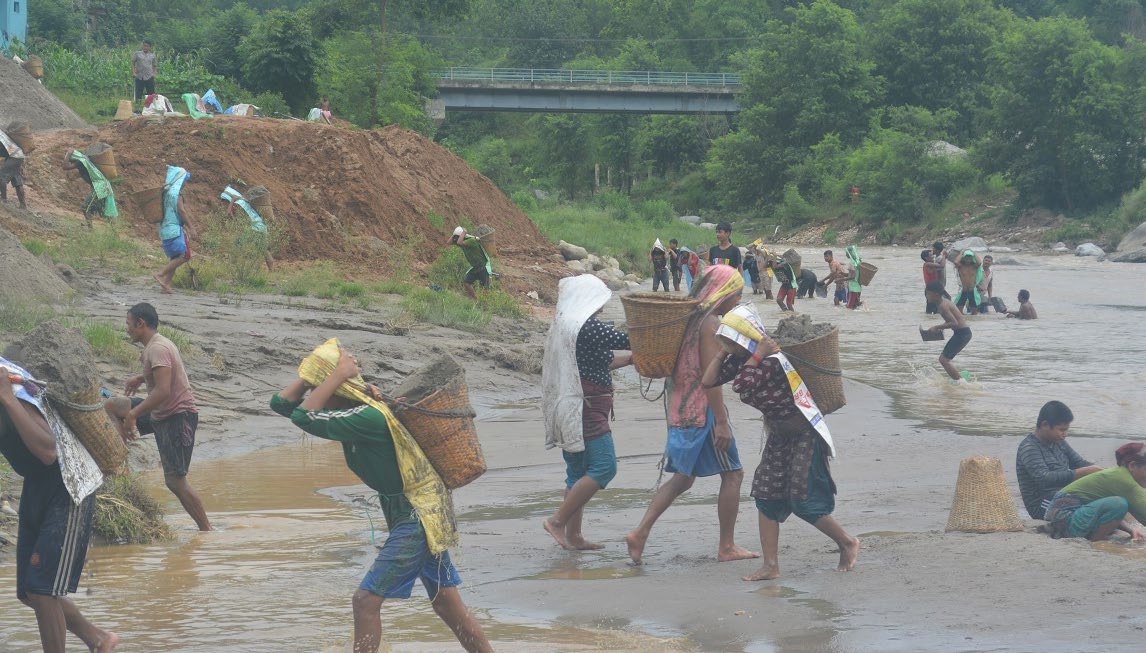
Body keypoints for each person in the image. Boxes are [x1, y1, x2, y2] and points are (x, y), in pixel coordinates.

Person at [271, 343, 492, 653]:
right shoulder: (350, 410)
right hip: (421, 508)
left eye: (319, 384)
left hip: (418, 515)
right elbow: (281, 405)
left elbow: (302, 418)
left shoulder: (366, 417)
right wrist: (314, 377)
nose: (315, 391)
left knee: (365, 602)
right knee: (447, 606)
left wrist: (334, 376)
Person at [701, 306, 859, 580]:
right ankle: (770, 566)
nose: (730, 347)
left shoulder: (772, 360)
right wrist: (722, 351)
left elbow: (741, 385)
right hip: (779, 435)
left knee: (802, 499)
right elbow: (708, 380)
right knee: (765, 495)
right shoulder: (743, 360)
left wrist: (759, 353)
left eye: (732, 341)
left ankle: (847, 542)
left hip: (804, 435)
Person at [625, 265, 758, 565]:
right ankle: (726, 546)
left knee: (683, 479)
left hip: (682, 406)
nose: (737, 301)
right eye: (736, 294)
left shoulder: (690, 319)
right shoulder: (710, 324)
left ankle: (640, 533)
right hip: (704, 412)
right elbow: (710, 379)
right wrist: (721, 422)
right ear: (722, 294)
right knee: (733, 474)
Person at [0, 359, 120, 653]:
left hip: (69, 482)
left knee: (42, 590)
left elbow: (48, 450)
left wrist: (5, 396)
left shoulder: (12, 386)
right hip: (36, 482)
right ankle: (98, 639)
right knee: (29, 592)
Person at [542, 275, 633, 550]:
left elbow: (600, 361)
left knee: (577, 471)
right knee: (605, 466)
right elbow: (628, 339)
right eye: (598, 302)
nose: (601, 308)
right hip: (587, 408)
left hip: (568, 406)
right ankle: (558, 522)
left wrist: (630, 360)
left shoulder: (564, 326)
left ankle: (574, 536)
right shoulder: (588, 328)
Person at [104, 303, 211, 531]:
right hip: (161, 412)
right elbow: (164, 376)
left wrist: (133, 414)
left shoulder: (157, 349)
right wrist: (140, 379)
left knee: (175, 481)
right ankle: (118, 466)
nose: (127, 328)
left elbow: (163, 391)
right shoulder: (155, 346)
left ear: (140, 324)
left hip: (177, 417)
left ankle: (207, 530)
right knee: (112, 405)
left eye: (128, 323)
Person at [1016, 401, 1101, 520]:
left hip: (1062, 494)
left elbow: (1079, 463)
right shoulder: (1029, 447)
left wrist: (1104, 472)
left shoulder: (1059, 442)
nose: (1065, 434)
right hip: (1042, 504)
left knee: (1103, 493)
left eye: (1066, 430)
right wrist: (1083, 472)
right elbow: (1045, 479)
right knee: (1091, 505)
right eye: (1061, 429)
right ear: (1045, 425)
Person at [1045, 443, 1146, 542]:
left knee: (1118, 504)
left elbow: (1108, 512)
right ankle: (1096, 543)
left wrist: (1130, 529)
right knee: (1119, 503)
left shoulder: (1117, 474)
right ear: (1132, 466)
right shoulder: (1125, 480)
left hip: (1063, 519)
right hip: (1064, 521)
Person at [153, 166, 197, 294]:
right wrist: (191, 228)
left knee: (175, 257)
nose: (185, 184)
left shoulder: (164, 192)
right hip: (174, 229)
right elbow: (181, 211)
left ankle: (165, 286)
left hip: (164, 229)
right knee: (185, 255)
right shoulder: (176, 194)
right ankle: (160, 274)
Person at [925, 281, 971, 382]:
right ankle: (958, 378)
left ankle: (961, 382)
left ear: (936, 294)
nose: (926, 296)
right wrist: (942, 327)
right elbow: (953, 320)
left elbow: (954, 323)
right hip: (963, 333)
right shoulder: (944, 302)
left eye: (928, 293)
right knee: (944, 359)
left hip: (962, 334)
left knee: (943, 360)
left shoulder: (942, 306)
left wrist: (937, 327)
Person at [219, 186, 274, 271]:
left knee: (237, 245)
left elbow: (229, 214)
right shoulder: (244, 202)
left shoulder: (238, 203)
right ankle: (271, 270)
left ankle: (232, 267)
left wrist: (233, 200)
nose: (224, 203)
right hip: (261, 228)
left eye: (225, 201)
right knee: (264, 250)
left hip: (255, 229)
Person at [62, 149, 118, 228]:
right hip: (103, 186)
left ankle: (90, 229)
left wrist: (68, 154)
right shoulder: (84, 161)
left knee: (85, 208)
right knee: (103, 211)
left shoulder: (81, 162)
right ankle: (114, 233)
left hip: (100, 187)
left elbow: (65, 167)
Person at [448, 226, 493, 300]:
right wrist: (454, 234)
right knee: (467, 283)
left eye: (457, 237)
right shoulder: (462, 241)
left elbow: (459, 242)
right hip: (475, 267)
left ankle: (485, 303)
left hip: (482, 267)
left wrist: (464, 232)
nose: (455, 239)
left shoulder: (471, 240)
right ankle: (476, 299)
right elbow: (449, 242)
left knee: (485, 288)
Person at [0, 128, 28, 210]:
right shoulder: (2, 133)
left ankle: (3, 199)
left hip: (13, 156)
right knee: (17, 181)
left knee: (1, 177)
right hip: (18, 155)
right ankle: (23, 205)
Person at [953, 250, 982, 315]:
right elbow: (956, 262)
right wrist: (961, 253)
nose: (968, 259)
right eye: (966, 257)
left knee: (974, 313)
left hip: (972, 291)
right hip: (963, 290)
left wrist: (974, 252)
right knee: (959, 312)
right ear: (964, 258)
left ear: (972, 258)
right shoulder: (961, 266)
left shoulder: (974, 266)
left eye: (970, 257)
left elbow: (979, 262)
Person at [920, 250, 946, 314]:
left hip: (933, 288)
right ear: (926, 258)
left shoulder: (930, 264)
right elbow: (942, 265)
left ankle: (931, 320)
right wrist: (944, 256)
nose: (933, 256)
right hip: (930, 289)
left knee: (933, 307)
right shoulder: (928, 264)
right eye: (931, 255)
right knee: (931, 307)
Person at [844, 245, 863, 309]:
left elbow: (853, 276)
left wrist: (841, 279)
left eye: (846, 252)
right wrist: (843, 274)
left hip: (853, 287)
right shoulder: (858, 261)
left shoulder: (851, 263)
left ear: (849, 253)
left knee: (849, 307)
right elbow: (856, 274)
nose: (846, 254)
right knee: (856, 306)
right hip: (858, 286)